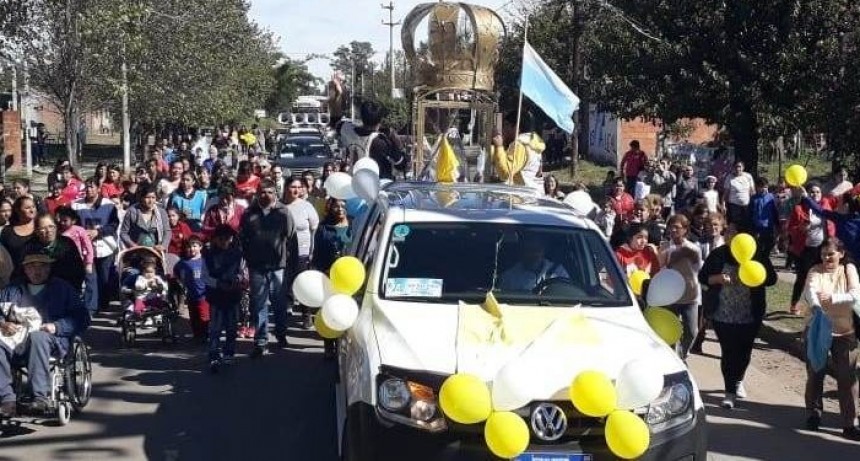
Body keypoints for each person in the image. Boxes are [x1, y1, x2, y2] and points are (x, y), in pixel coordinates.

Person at [699, 222, 777, 410]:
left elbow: (772, 279)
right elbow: (703, 277)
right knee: (728, 352)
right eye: (728, 233)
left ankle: (738, 379)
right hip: (722, 313)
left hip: (750, 313)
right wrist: (717, 279)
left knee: (744, 352)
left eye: (734, 233)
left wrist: (756, 276)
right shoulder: (718, 254)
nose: (730, 236)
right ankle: (729, 392)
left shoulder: (757, 254)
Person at [0, 253, 90, 416]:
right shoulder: (12, 289)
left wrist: (56, 326)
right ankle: (7, 399)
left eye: (42, 266)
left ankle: (40, 397)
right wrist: (3, 323)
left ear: (49, 269)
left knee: (38, 337)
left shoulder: (63, 288)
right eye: (32, 267)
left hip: (53, 340)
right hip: (16, 340)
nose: (37, 271)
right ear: (25, 270)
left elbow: (82, 317)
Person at [800, 237, 860, 439]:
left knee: (848, 378)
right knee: (815, 372)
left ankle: (850, 423)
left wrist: (833, 298)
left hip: (845, 331)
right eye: (823, 254)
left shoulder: (848, 270)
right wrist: (817, 305)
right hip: (817, 329)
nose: (826, 258)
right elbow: (810, 291)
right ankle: (813, 414)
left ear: (841, 254)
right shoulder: (815, 270)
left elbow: (855, 294)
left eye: (831, 254)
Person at [239, 179, 298, 357]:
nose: (266, 195)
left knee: (279, 302)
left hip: (277, 266)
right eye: (263, 192)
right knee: (259, 304)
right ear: (257, 193)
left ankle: (280, 334)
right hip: (256, 266)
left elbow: (291, 238)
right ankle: (260, 340)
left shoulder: (283, 212)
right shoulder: (249, 213)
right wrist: (247, 260)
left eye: (270, 192)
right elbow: (242, 239)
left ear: (275, 194)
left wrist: (291, 264)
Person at [72, 179, 120, 313]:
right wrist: (81, 233)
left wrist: (98, 232)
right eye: (87, 188)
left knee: (104, 277)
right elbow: (73, 225)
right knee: (90, 277)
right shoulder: (76, 206)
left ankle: (103, 303)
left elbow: (114, 225)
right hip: (85, 249)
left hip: (105, 247)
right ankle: (90, 307)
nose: (89, 190)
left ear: (98, 189)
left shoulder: (109, 205)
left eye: (92, 187)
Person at [203, 225, 247, 372]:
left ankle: (229, 352)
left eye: (227, 239)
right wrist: (218, 283)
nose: (224, 242)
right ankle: (214, 354)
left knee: (231, 326)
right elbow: (205, 276)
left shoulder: (238, 254)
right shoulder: (208, 254)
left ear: (232, 239)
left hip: (233, 294)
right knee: (215, 328)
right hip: (216, 295)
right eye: (220, 239)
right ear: (215, 239)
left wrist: (237, 279)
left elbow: (243, 271)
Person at [659, 214, 702, 360]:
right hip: (670, 296)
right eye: (670, 227)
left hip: (689, 296)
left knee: (691, 331)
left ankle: (682, 356)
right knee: (669, 330)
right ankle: (671, 359)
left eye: (676, 227)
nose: (672, 230)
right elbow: (661, 268)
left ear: (685, 229)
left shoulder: (693, 248)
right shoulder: (665, 246)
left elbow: (696, 271)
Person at [788, 182, 835, 314]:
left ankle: (817, 306)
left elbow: (832, 223)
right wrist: (801, 228)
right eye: (812, 192)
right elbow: (790, 228)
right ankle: (794, 304)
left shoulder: (825, 206)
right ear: (807, 194)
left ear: (821, 194)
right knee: (803, 278)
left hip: (823, 248)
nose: (815, 194)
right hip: (805, 248)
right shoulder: (799, 208)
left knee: (821, 278)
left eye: (818, 192)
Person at [283, 177, 320, 328]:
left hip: (303, 252)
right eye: (293, 187)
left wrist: (312, 251)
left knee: (303, 284)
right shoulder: (280, 206)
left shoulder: (306, 206)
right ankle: (283, 316)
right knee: (283, 285)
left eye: (299, 187)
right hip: (283, 252)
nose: (296, 190)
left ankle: (306, 316)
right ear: (286, 188)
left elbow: (314, 229)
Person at [25, 213, 86, 293]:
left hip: (67, 290)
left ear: (56, 227)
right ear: (36, 231)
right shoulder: (30, 247)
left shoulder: (67, 243)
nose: (48, 231)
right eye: (43, 228)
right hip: (40, 293)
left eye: (51, 226)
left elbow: (78, 269)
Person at [490, 111, 544, 194]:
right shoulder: (532, 143)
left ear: (516, 127)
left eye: (506, 125)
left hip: (521, 195)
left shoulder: (520, 145)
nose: (503, 129)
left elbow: (505, 173)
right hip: (531, 192)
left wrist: (499, 146)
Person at [56, 206, 96, 312]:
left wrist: (89, 262)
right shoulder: (58, 232)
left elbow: (88, 247)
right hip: (65, 263)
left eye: (66, 221)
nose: (63, 223)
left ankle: (87, 307)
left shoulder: (79, 230)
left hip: (81, 262)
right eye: (61, 220)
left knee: (83, 285)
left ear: (73, 221)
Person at [498, 236, 569, 291]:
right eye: (529, 250)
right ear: (522, 252)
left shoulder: (559, 271)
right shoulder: (509, 276)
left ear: (544, 251)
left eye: (537, 250)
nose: (533, 254)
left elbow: (568, 293)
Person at [174, 236, 209, 343]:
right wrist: (181, 282)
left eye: (195, 246)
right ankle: (197, 335)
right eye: (189, 246)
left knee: (204, 316)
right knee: (193, 317)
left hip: (203, 295)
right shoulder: (183, 262)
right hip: (190, 295)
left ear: (200, 247)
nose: (192, 248)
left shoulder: (205, 261)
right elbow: (176, 271)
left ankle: (205, 335)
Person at [119, 185, 171, 252]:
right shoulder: (132, 211)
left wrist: (163, 246)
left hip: (156, 251)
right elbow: (123, 233)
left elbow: (167, 231)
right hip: (136, 250)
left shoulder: (161, 212)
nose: (150, 201)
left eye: (153, 198)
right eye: (147, 197)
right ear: (141, 198)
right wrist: (133, 245)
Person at [1, 197, 38, 277]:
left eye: (33, 207)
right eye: (27, 208)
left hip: (40, 275)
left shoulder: (41, 228)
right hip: (15, 278)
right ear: (18, 210)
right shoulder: (7, 231)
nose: (32, 210)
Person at [749, 177, 780, 256]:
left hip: (768, 226)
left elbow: (775, 211)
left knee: (768, 245)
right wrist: (751, 227)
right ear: (757, 187)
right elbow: (749, 213)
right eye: (761, 187)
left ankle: (765, 257)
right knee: (758, 246)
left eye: (765, 187)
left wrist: (777, 224)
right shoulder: (753, 198)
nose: (763, 189)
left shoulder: (771, 197)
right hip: (757, 227)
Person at [722, 160, 755, 228]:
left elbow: (752, 191)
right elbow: (725, 194)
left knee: (747, 225)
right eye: (736, 167)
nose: (738, 169)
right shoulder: (729, 177)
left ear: (743, 167)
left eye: (739, 166)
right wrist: (723, 205)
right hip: (734, 207)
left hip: (747, 206)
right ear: (733, 168)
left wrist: (754, 203)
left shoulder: (748, 176)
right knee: (735, 226)